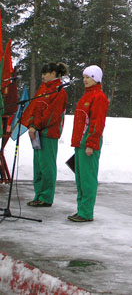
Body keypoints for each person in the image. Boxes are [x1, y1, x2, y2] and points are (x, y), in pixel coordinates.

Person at [23, 62, 69, 207]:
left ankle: (46, 197)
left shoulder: (59, 91)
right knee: (38, 166)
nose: (43, 77)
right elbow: (34, 107)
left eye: (45, 74)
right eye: (42, 74)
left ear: (54, 74)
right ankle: (38, 194)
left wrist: (36, 125)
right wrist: (31, 123)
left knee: (47, 166)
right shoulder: (43, 89)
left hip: (48, 133)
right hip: (36, 132)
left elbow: (52, 114)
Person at [68, 65, 109, 222]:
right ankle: (81, 209)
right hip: (80, 142)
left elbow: (97, 123)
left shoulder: (99, 97)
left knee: (87, 178)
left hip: (89, 142)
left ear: (96, 79)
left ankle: (86, 212)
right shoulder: (86, 95)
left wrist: (91, 143)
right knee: (80, 178)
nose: (85, 80)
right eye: (84, 77)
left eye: (88, 77)